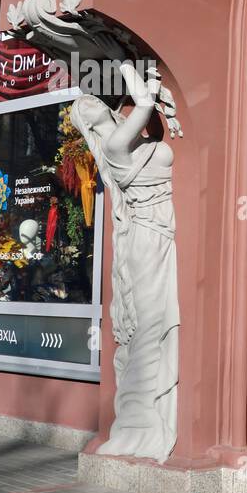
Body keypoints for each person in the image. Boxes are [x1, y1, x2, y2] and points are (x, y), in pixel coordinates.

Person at [70, 62, 180, 464]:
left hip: (154, 238)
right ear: (90, 121)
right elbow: (147, 104)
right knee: (150, 326)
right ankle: (141, 418)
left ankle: (142, 414)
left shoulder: (125, 141)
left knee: (152, 324)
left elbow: (145, 109)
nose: (94, 103)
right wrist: (129, 67)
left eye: (93, 100)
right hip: (148, 241)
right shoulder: (116, 146)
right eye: (88, 106)